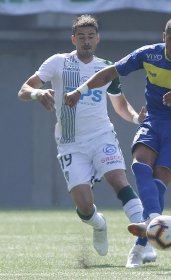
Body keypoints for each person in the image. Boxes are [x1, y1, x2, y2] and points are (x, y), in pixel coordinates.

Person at [64, 16, 171, 267]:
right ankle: (152, 221)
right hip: (153, 121)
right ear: (163, 37)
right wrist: (79, 91)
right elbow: (110, 72)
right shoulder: (150, 54)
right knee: (139, 165)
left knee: (159, 179)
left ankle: (138, 249)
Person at [17, 14, 156, 267]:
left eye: (91, 36)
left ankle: (144, 237)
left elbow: (119, 104)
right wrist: (38, 93)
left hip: (102, 135)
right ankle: (99, 225)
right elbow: (24, 89)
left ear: (98, 39)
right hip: (70, 143)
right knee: (84, 207)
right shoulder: (58, 62)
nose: (86, 41)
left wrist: (137, 119)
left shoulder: (106, 68)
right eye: (81, 36)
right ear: (74, 39)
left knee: (118, 180)